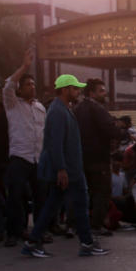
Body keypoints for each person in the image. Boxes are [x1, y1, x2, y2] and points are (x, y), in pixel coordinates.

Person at [22, 75, 109, 258]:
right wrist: (61, 169)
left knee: (54, 205)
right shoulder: (57, 112)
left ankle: (32, 242)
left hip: (70, 168)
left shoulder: (63, 109)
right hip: (68, 170)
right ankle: (86, 243)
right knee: (80, 204)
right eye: (74, 88)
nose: (78, 91)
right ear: (64, 89)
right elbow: (55, 143)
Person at [2, 48, 46, 248]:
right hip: (20, 157)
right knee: (16, 197)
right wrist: (25, 67)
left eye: (33, 84)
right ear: (20, 89)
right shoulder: (12, 104)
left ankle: (39, 231)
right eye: (27, 84)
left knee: (41, 197)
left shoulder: (40, 108)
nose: (32, 87)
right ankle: (14, 232)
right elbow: (8, 85)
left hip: (38, 158)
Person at [75, 78, 121, 236]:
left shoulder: (78, 108)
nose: (105, 93)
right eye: (101, 90)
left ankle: (78, 224)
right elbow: (110, 130)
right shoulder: (97, 109)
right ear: (91, 92)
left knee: (86, 193)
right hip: (98, 159)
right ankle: (96, 225)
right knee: (102, 192)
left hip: (82, 158)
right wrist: (119, 130)